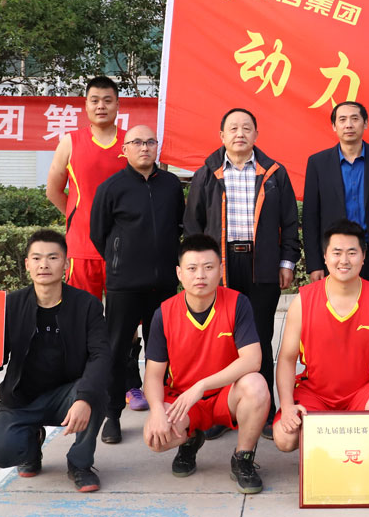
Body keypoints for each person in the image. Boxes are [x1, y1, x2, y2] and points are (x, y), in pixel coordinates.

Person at [0, 229, 109, 493]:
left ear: (65, 265)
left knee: (96, 391)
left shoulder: (87, 305)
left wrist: (84, 399)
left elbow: (101, 356)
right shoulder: (12, 304)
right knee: (1, 453)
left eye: (53, 257)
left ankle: (80, 464)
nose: (44, 264)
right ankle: (32, 444)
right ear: (28, 264)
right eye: (37, 258)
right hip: (22, 397)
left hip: (67, 394)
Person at [184, 107, 301, 439]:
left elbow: (289, 222)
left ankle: (264, 411)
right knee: (220, 340)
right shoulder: (206, 174)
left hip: (261, 265)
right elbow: (192, 225)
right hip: (220, 267)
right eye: (233, 128)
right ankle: (220, 410)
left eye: (246, 128)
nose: (240, 133)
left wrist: (286, 263)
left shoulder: (274, 173)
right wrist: (199, 268)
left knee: (260, 336)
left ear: (256, 135)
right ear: (222, 135)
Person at [273, 219, 369, 453]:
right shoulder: (303, 302)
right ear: (325, 257)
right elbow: (287, 359)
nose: (344, 260)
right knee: (285, 437)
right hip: (315, 394)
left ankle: (353, 455)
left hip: (362, 394)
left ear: (363, 257)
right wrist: (287, 405)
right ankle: (339, 452)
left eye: (352, 253)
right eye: (337, 252)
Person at [45, 77, 147, 412]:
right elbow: (53, 190)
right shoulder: (71, 142)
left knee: (127, 323)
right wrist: (78, 219)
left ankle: (130, 384)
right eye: (94, 100)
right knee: (81, 319)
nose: (101, 106)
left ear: (118, 105)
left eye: (107, 100)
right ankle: (83, 385)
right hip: (81, 251)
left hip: (125, 252)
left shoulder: (131, 143)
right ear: (85, 105)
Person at [141, 234, 269, 494]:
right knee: (155, 439)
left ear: (221, 270)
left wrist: (201, 386)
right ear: (179, 273)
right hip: (184, 400)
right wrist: (156, 411)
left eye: (208, 267)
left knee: (256, 385)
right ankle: (190, 439)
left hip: (225, 396)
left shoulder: (237, 303)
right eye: (192, 268)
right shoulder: (164, 313)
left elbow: (253, 359)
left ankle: (243, 458)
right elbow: (153, 375)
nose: (200, 275)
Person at [90, 125, 185, 445]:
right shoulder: (111, 187)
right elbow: (98, 233)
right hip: (124, 285)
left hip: (164, 285)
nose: (144, 147)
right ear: (125, 149)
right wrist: (120, 260)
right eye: (137, 142)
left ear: (157, 147)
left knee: (166, 349)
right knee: (117, 350)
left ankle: (167, 410)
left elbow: (178, 226)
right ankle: (112, 415)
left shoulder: (171, 185)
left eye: (150, 142)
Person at [302, 100, 369, 382]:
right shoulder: (318, 163)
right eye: (342, 119)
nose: (349, 124)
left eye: (355, 119)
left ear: (365, 123)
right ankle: (336, 384)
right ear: (334, 126)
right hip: (336, 258)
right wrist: (315, 263)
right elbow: (310, 217)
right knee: (334, 325)